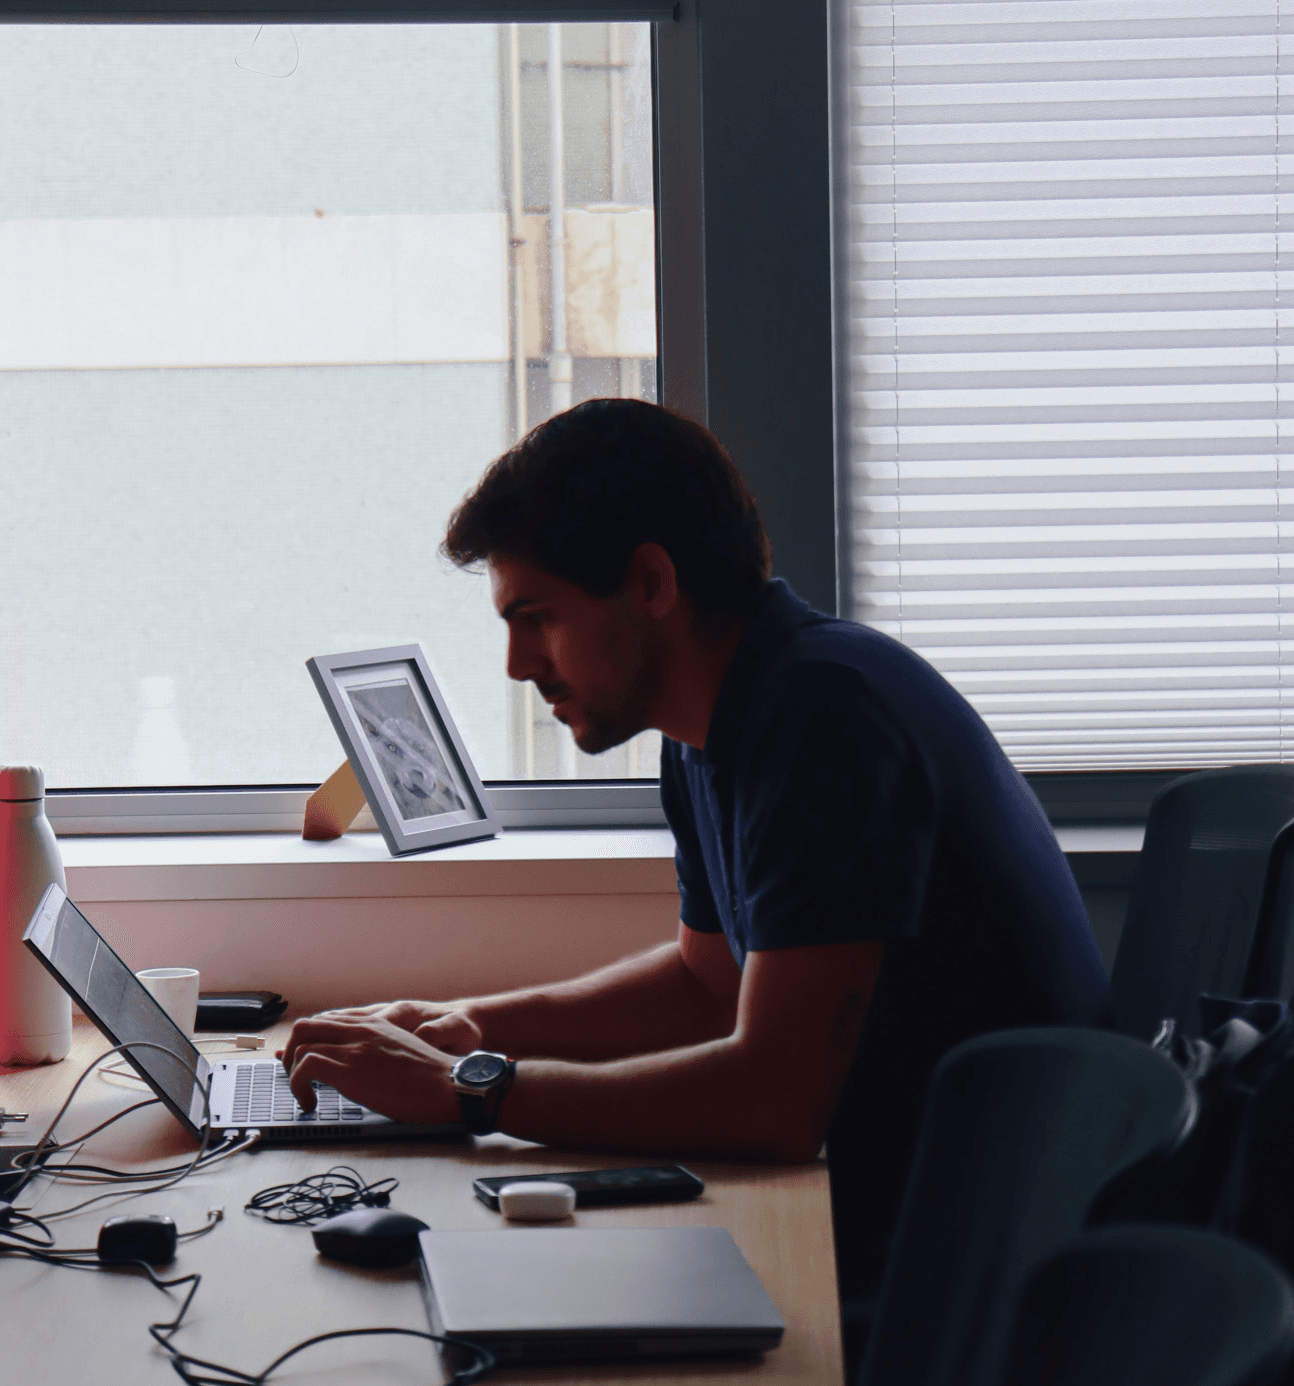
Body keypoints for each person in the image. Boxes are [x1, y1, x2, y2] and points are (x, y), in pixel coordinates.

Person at [280, 398, 1112, 1320]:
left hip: (977, 1292)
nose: (517, 664)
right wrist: (472, 1028)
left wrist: (473, 1093)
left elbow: (776, 1104)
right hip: (907, 1220)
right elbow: (706, 981)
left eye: (538, 617)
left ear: (650, 581)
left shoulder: (821, 717)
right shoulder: (713, 725)